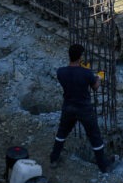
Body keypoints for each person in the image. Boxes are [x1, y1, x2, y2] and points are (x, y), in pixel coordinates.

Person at [49, 44, 116, 173]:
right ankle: (103, 165)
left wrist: (83, 72)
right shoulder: (86, 73)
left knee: (62, 133)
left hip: (68, 107)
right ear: (80, 58)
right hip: (84, 109)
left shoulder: (60, 72)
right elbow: (95, 87)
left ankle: (53, 159)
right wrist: (98, 78)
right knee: (95, 136)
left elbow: (72, 79)